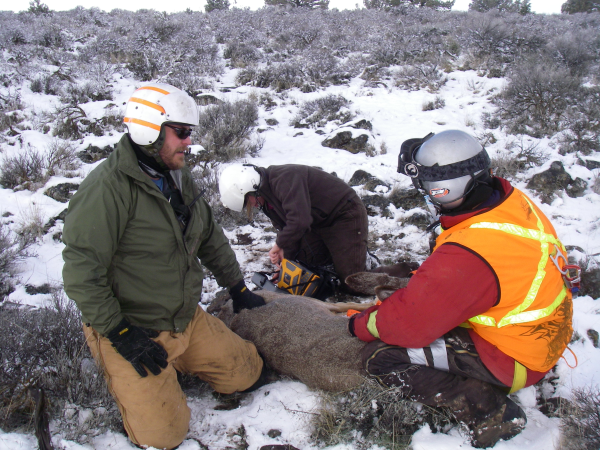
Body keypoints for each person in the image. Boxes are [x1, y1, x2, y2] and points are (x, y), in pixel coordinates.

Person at [62, 83, 267, 450]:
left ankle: (180, 361)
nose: (189, 142)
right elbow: (81, 273)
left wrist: (237, 287)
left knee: (247, 372)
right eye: (182, 133)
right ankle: (128, 377)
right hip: (131, 327)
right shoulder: (107, 189)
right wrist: (121, 334)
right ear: (149, 129)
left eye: (190, 133)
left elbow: (208, 235)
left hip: (183, 316)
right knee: (164, 437)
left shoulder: (177, 174)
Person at [348, 130, 574, 448]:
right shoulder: (508, 201)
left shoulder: (471, 252)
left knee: (380, 357)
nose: (426, 195)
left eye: (428, 188)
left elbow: (409, 327)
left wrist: (360, 323)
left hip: (514, 358)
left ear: (444, 189)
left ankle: (488, 411)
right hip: (541, 337)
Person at [218, 163, 372, 291]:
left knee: (353, 282)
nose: (251, 205)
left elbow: (300, 221)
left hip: (344, 214)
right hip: (317, 223)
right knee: (308, 265)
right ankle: (347, 254)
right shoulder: (266, 199)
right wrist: (285, 266)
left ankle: (380, 269)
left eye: (248, 200)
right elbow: (288, 230)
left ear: (251, 186)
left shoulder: (284, 178)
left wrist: (279, 245)